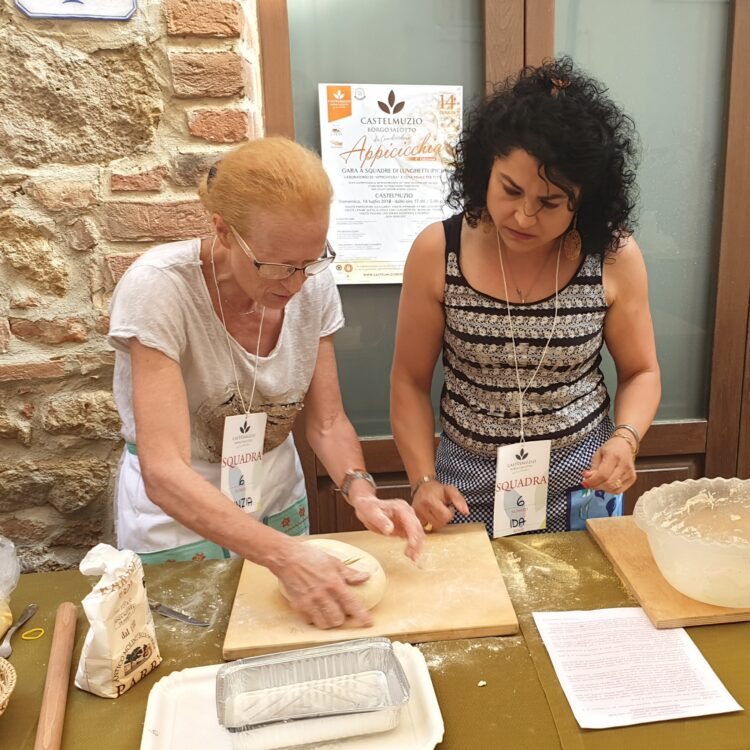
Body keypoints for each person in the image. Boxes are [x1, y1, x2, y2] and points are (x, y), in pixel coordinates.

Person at [108, 136, 423, 629]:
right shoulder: (159, 288)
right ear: (223, 231)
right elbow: (164, 471)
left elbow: (328, 422)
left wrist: (361, 491)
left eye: (310, 261)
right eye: (276, 265)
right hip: (181, 508)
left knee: (281, 631)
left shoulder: (312, 284)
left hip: (272, 486)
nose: (294, 284)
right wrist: (284, 556)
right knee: (194, 638)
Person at [390, 58, 661, 537]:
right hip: (464, 483)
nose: (523, 216)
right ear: (485, 170)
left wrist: (625, 439)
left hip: (584, 476)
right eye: (510, 190)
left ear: (585, 199)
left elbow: (642, 371)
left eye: (550, 203)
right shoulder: (439, 250)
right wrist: (422, 480)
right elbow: (409, 380)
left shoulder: (612, 257)